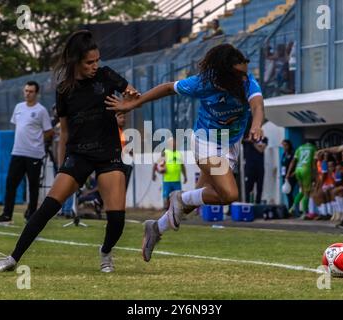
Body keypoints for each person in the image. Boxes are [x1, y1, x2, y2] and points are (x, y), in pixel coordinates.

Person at [0, 30, 140, 273]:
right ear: (75, 60)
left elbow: (132, 94)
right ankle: (13, 258)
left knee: (117, 218)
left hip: (108, 154)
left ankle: (106, 252)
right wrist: (63, 165)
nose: (95, 66)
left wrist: (129, 101)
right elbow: (65, 132)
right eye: (90, 62)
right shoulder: (64, 89)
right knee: (47, 208)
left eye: (97, 60)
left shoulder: (107, 76)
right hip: (78, 155)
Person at [105, 43, 264, 262]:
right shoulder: (203, 84)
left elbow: (257, 106)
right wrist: (135, 103)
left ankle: (155, 229)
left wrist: (256, 124)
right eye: (239, 75)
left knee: (193, 202)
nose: (244, 79)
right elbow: (169, 87)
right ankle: (178, 196)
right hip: (205, 142)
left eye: (245, 73)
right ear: (225, 73)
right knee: (229, 195)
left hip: (230, 143)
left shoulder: (246, 82)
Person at [0, 81, 53, 225]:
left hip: (34, 154)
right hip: (17, 152)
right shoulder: (18, 107)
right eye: (26, 91)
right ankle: (7, 216)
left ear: (36, 93)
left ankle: (31, 215)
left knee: (33, 186)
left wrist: (37, 141)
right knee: (10, 183)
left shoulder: (41, 110)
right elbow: (19, 127)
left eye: (30, 91)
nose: (27, 94)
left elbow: (49, 131)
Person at [152, 138, 187, 210]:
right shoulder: (165, 153)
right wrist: (153, 173)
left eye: (174, 143)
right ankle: (167, 213)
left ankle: (178, 213)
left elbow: (182, 166)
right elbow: (156, 163)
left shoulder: (178, 154)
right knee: (166, 197)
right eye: (172, 143)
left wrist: (185, 176)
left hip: (177, 180)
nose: (173, 144)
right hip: (167, 181)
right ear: (169, 145)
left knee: (178, 198)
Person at [285, 140, 317, 218]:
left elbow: (293, 161)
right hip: (306, 170)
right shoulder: (313, 148)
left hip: (298, 170)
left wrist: (288, 173)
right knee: (307, 193)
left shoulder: (299, 148)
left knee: (302, 191)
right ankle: (304, 213)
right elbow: (313, 163)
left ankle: (292, 208)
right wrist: (314, 175)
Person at [243, 136, 268, 204]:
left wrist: (253, 142)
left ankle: (258, 203)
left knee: (259, 187)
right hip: (249, 167)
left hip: (259, 167)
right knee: (248, 187)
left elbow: (261, 150)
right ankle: (247, 204)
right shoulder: (245, 141)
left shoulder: (264, 139)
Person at [281, 139, 296, 209]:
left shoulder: (292, 154)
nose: (284, 147)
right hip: (284, 175)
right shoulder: (284, 154)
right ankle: (290, 208)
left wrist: (292, 173)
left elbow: (294, 164)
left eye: (285, 145)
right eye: (283, 145)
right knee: (287, 192)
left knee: (289, 192)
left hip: (290, 175)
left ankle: (291, 208)